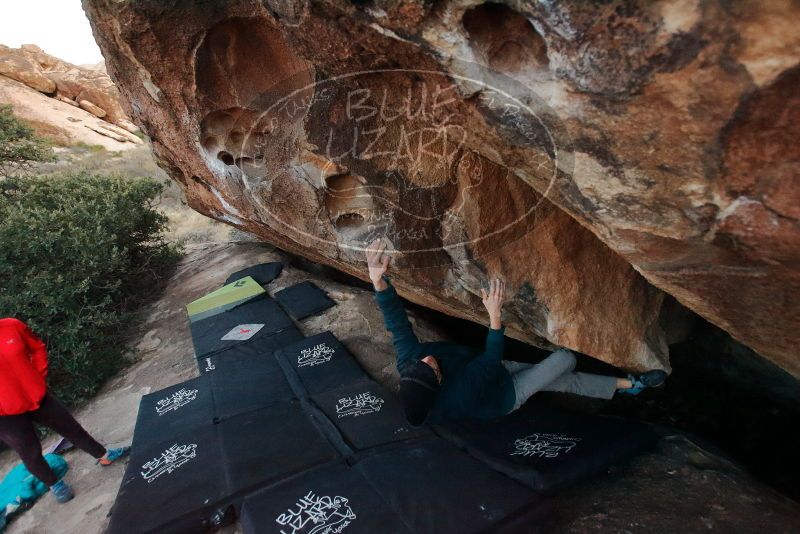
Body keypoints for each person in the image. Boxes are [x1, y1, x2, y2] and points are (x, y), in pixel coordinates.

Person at [365, 239, 668, 426]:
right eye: (431, 368)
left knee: (566, 383)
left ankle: (631, 385)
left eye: (421, 362)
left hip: (493, 371)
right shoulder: (459, 396)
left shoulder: (411, 361)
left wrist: (377, 281)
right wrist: (495, 315)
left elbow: (396, 323)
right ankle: (628, 386)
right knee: (564, 361)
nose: (428, 358)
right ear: (440, 382)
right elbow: (489, 362)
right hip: (505, 396)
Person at [0, 317, 130, 503]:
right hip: (5, 415)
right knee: (29, 451)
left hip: (37, 396)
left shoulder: (12, 326)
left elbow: (36, 347)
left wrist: (38, 374)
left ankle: (104, 455)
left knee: (71, 428)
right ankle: (55, 484)